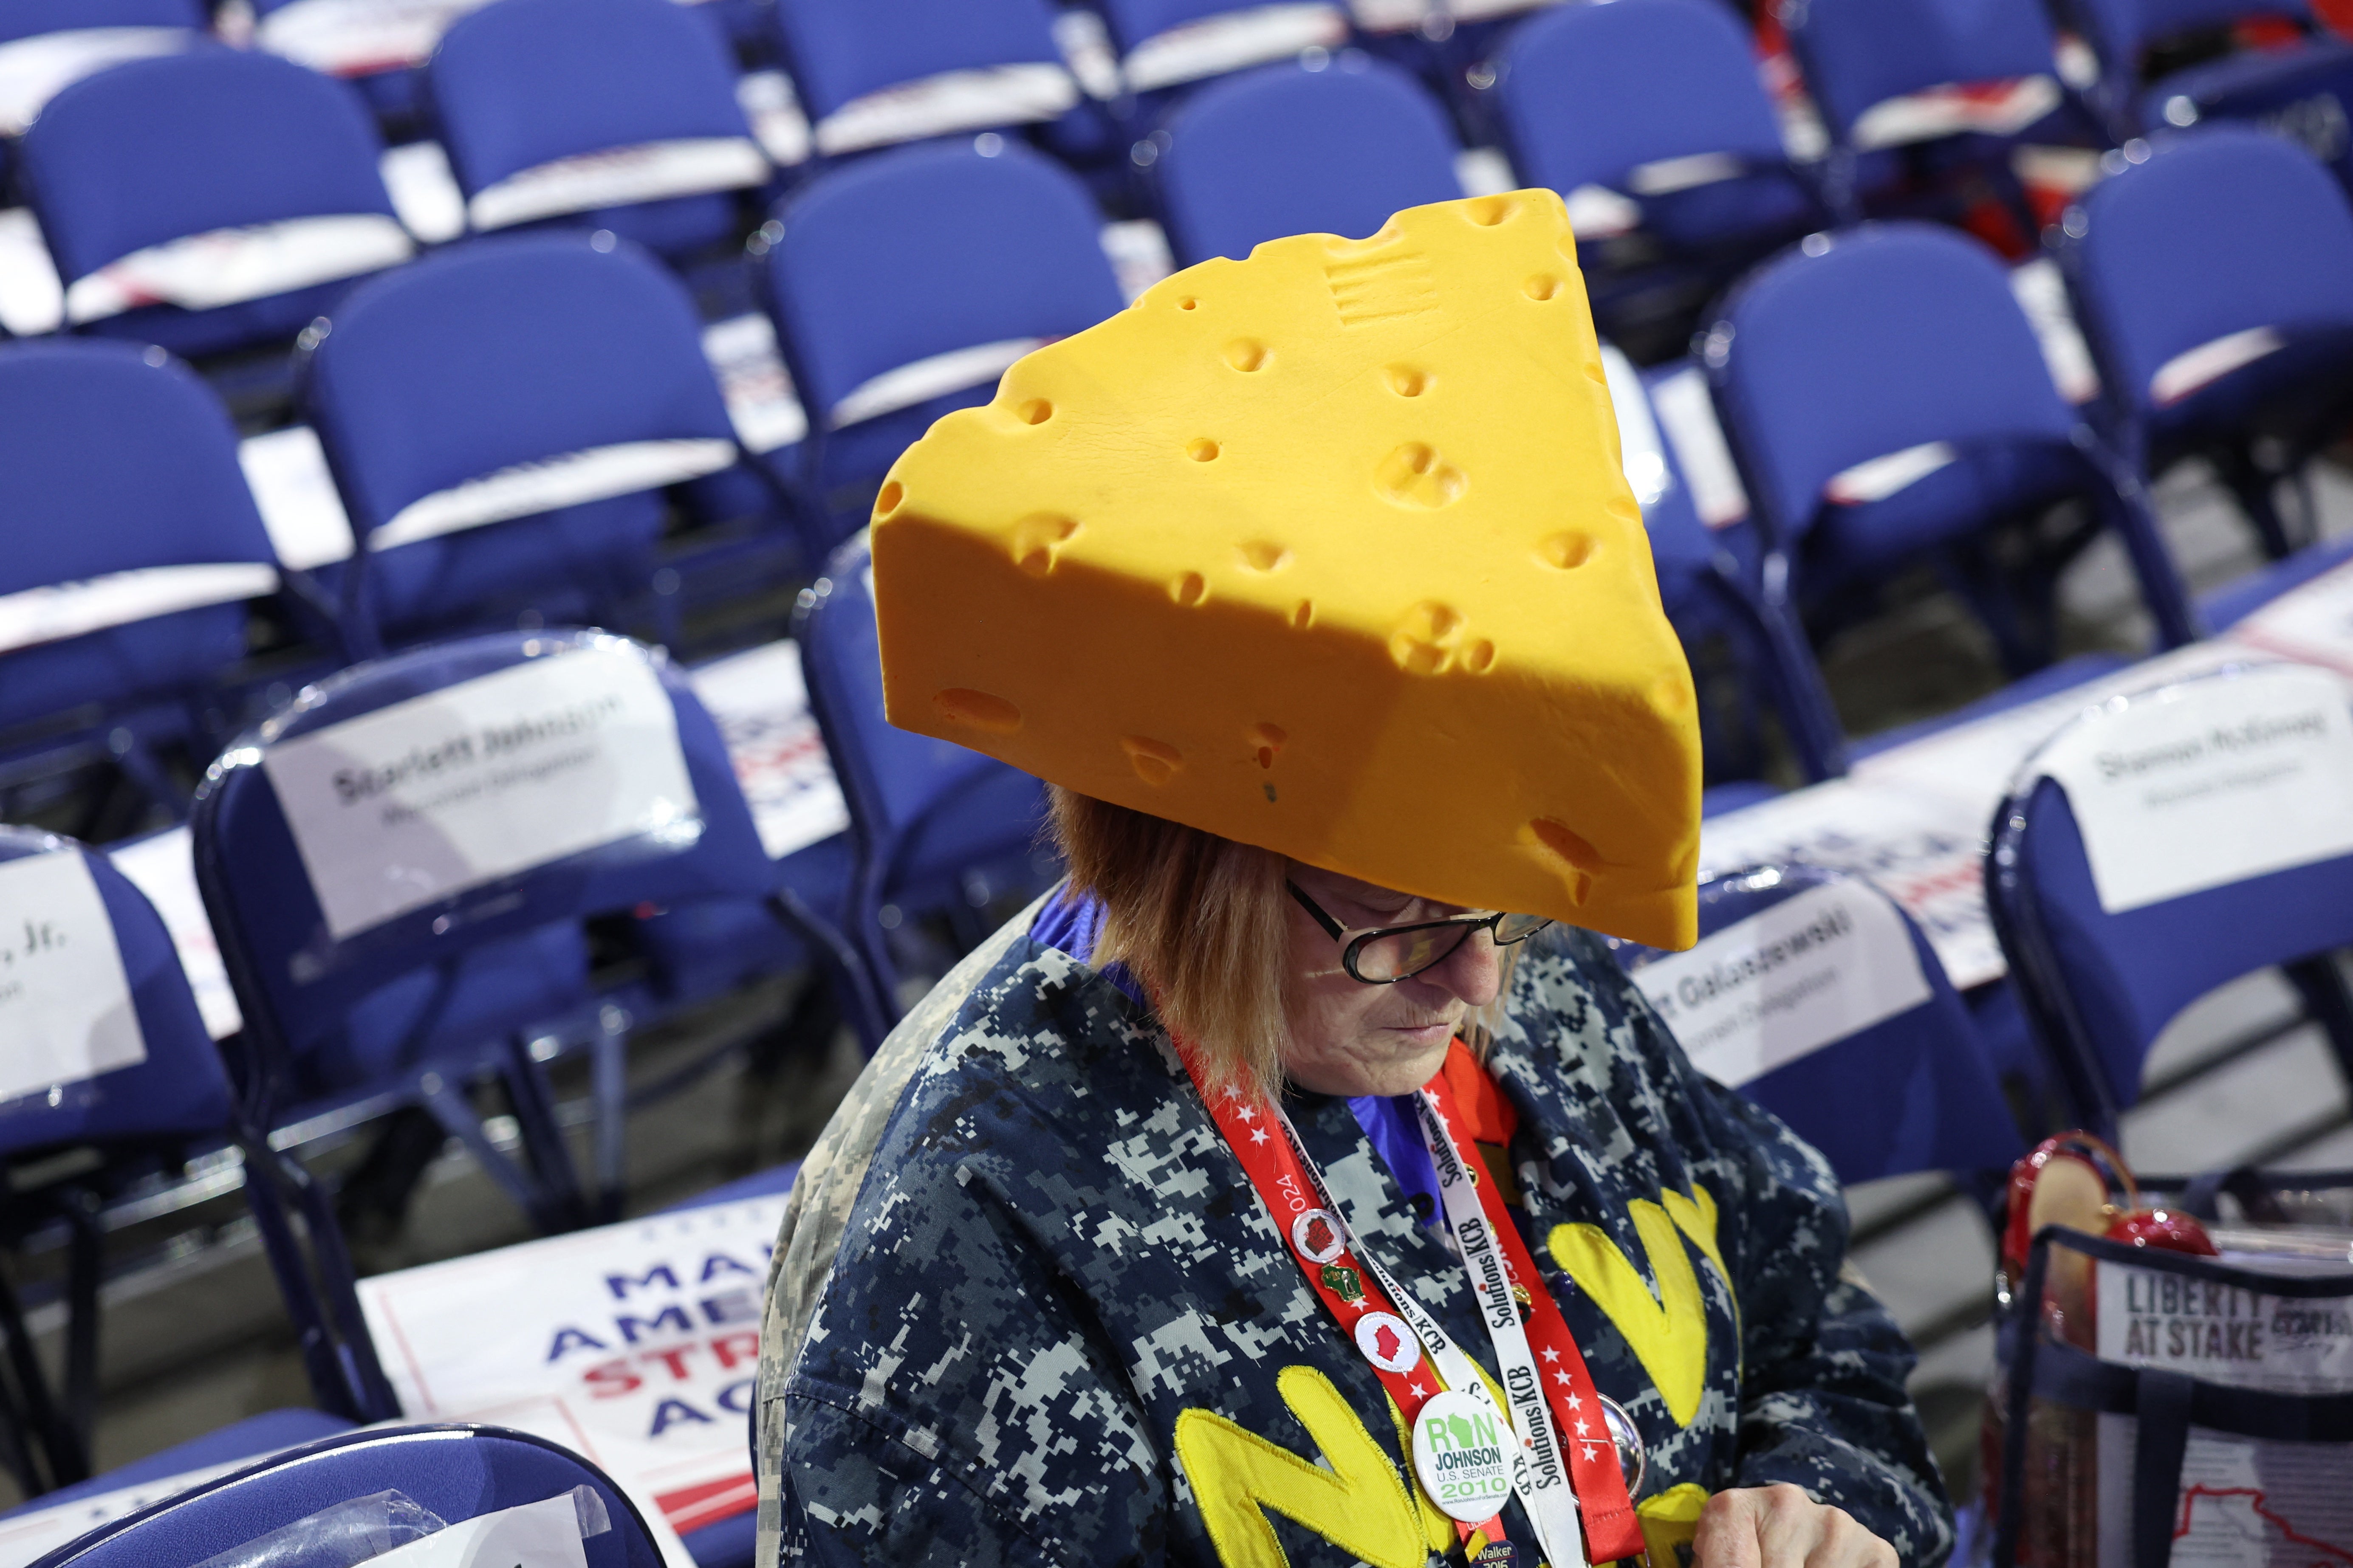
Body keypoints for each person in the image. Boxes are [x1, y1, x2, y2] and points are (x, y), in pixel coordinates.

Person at [754, 190, 1952, 1568]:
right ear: (1185, 874)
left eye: (1494, 907)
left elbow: (1814, 1326)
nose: (1480, 979)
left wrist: (1822, 1499)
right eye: (1397, 925)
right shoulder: (972, 1234)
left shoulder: (1495, 942)